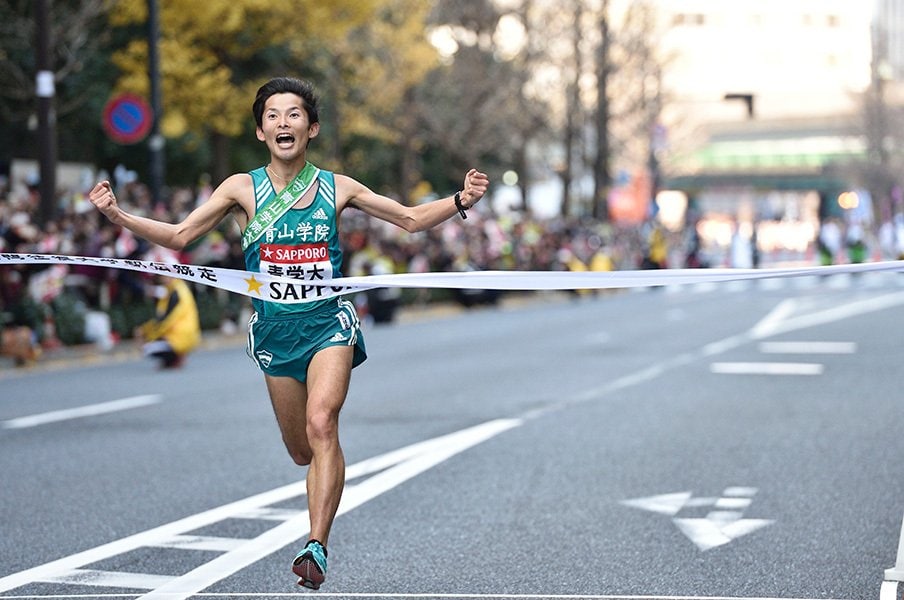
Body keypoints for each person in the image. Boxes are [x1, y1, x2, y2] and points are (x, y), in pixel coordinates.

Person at [89, 76, 489, 589]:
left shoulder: (337, 187)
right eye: (273, 115)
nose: (284, 122)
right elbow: (181, 235)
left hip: (329, 324)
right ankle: (317, 489)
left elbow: (410, 219)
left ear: (311, 127)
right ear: (260, 132)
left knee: (323, 424)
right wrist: (116, 214)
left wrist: (462, 199)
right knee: (302, 449)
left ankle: (316, 545)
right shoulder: (240, 189)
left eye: (294, 114)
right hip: (276, 332)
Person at [136, 274, 201, 369]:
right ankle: (173, 358)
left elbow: (166, 320)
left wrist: (145, 333)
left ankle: (175, 356)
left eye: (164, 276)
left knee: (147, 349)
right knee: (155, 342)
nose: (162, 279)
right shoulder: (177, 289)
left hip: (179, 336)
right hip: (185, 335)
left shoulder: (176, 292)